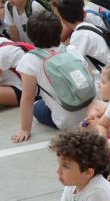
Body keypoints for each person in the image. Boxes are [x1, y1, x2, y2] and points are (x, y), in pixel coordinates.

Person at [11, 11, 89, 141]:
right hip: (92, 113)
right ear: (59, 30)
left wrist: (24, 129)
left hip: (68, 120)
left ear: (30, 35)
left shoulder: (30, 60)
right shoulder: (70, 50)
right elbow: (89, 77)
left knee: (37, 106)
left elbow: (27, 97)